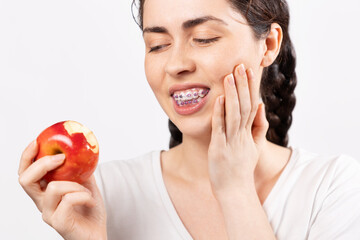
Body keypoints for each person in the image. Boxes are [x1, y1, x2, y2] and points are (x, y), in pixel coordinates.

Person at [18, 0, 360, 239]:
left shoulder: (333, 188)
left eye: (203, 38)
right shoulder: (104, 195)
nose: (175, 64)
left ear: (268, 44)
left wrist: (235, 189)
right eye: (157, 44)